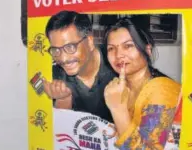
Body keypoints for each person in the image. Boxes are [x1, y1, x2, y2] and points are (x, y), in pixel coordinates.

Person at [103, 17, 181, 149]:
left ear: (147, 50)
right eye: (111, 49)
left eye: (128, 46)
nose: (118, 55)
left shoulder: (162, 90)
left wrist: (118, 109)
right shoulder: (118, 87)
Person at [43, 10, 117, 123]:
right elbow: (59, 132)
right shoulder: (53, 76)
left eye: (70, 47)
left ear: (90, 42)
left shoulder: (116, 63)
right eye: (56, 50)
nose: (63, 59)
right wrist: (63, 100)